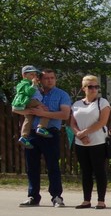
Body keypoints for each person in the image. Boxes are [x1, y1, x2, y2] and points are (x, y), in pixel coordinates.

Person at [19, 68, 72, 208]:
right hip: (32, 133)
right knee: (31, 166)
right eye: (46, 78)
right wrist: (29, 111)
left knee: (53, 165)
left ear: (55, 79)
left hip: (50, 133)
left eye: (52, 78)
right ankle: (33, 196)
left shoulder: (62, 94)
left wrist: (43, 113)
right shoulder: (32, 91)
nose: (50, 80)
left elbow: (65, 115)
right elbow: (16, 107)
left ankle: (56, 196)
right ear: (40, 80)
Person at [68, 75, 111, 209]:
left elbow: (102, 122)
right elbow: (72, 123)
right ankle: (86, 200)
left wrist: (85, 132)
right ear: (83, 88)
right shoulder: (76, 104)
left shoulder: (102, 102)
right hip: (81, 143)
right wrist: (80, 136)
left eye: (96, 86)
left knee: (99, 171)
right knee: (85, 171)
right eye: (90, 87)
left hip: (98, 142)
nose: (94, 89)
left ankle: (101, 200)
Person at [11, 64, 52, 148]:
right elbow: (29, 92)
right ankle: (41, 127)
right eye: (31, 74)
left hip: (30, 103)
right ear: (24, 75)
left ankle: (24, 136)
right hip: (31, 102)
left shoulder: (30, 83)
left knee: (28, 119)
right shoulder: (24, 83)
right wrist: (34, 85)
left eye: (35, 74)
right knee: (45, 110)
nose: (34, 76)